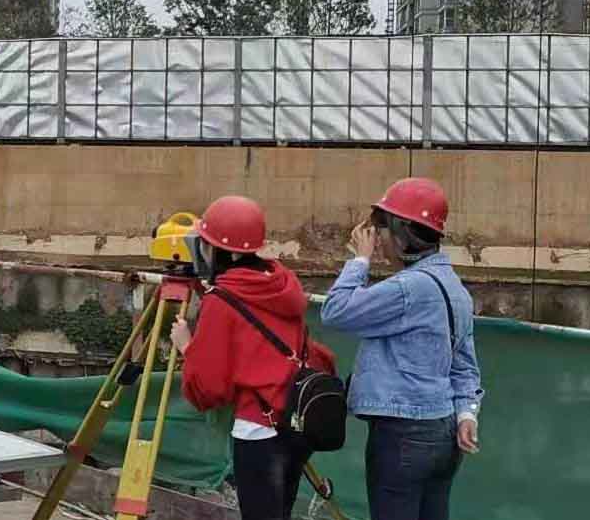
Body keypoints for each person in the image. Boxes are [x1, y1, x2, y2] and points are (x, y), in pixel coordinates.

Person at [321, 177, 484, 520]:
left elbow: (335, 312)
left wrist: (360, 261)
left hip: (402, 434)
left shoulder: (408, 288)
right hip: (444, 431)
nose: (378, 240)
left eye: (382, 229)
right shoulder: (455, 289)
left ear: (402, 232)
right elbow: (465, 367)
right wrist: (467, 412)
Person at [170, 195, 335, 520]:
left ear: (226, 252)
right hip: (296, 423)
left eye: (207, 245)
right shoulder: (280, 284)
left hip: (258, 432)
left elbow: (209, 389)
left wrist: (188, 347)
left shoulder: (222, 301)